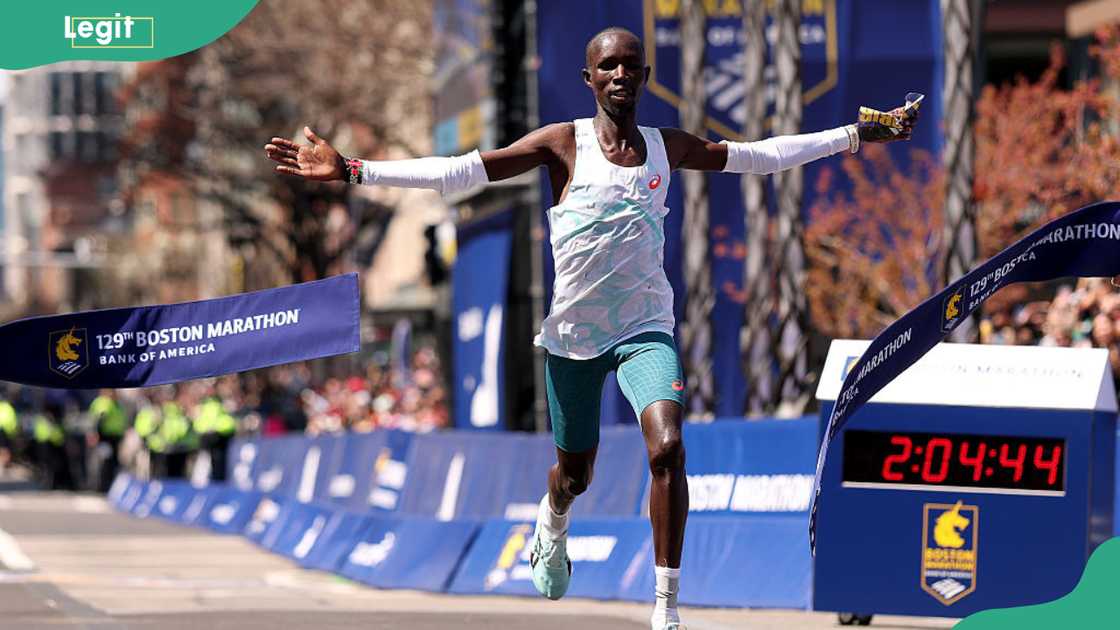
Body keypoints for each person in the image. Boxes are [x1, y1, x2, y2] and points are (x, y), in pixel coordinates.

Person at [264, 26, 917, 630]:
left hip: (644, 327)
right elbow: (462, 170)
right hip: (574, 336)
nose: (621, 75)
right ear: (589, 78)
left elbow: (760, 157)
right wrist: (354, 170)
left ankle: (665, 606)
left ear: (644, 75)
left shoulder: (666, 146)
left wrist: (855, 136)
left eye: (632, 65)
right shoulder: (561, 144)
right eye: (608, 65)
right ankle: (555, 517)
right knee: (576, 473)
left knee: (667, 449)